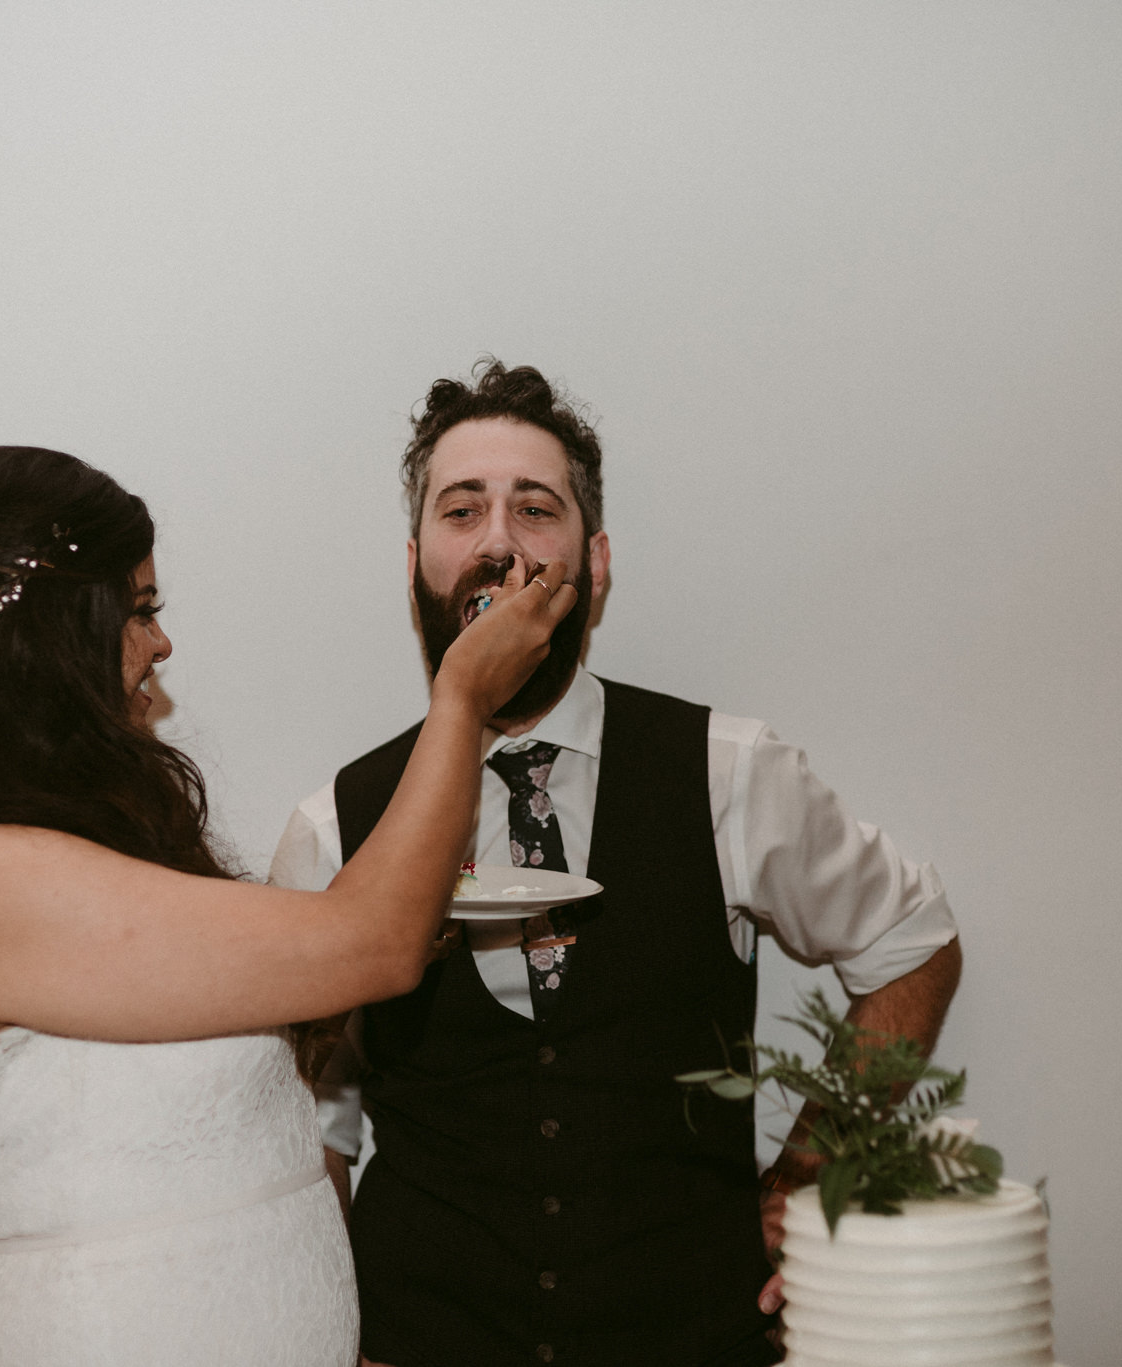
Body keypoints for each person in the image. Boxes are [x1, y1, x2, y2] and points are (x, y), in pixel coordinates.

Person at [0, 445, 575, 1366]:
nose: (162, 644)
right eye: (139, 612)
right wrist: (461, 696)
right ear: (51, 634)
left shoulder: (58, 845)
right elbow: (372, 944)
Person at [271, 363, 964, 1367]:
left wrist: (807, 1167)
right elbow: (309, 1119)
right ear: (415, 559)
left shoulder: (729, 770)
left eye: (534, 509)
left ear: (594, 561)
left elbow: (911, 943)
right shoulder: (331, 824)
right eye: (461, 510)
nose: (498, 540)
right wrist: (334, 1327)